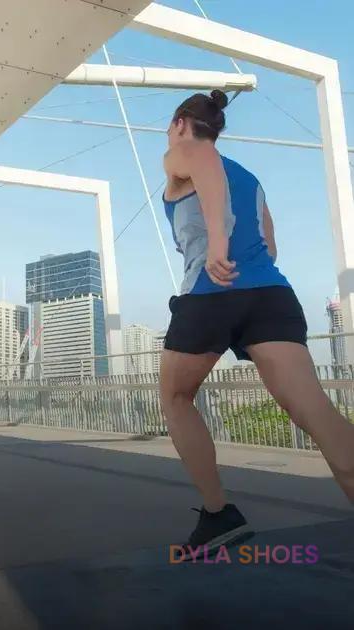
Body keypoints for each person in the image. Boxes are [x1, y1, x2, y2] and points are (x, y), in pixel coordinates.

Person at [161, 89, 354, 552]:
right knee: (314, 411)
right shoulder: (251, 178)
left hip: (212, 294)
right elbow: (269, 243)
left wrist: (218, 251)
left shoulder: (184, 151)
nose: (171, 137)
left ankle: (218, 513)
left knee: (174, 395)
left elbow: (204, 162)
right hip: (270, 294)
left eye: (172, 128)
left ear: (182, 122)